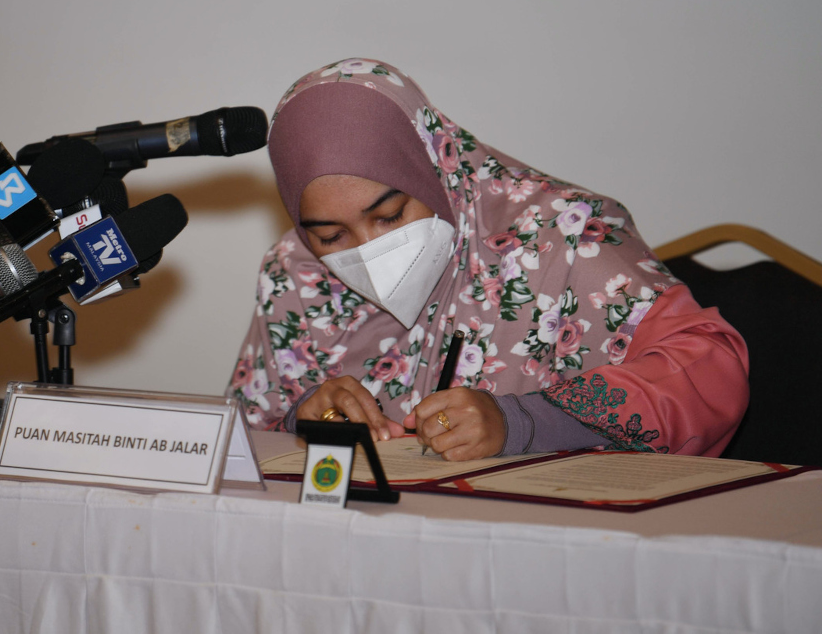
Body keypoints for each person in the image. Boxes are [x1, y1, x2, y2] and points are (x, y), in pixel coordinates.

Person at [227, 58, 749, 460]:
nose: (367, 249)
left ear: (433, 171)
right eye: (331, 235)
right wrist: (301, 419)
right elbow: (236, 437)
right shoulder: (295, 272)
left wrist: (522, 422)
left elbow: (710, 369)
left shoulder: (558, 235)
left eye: (389, 216)